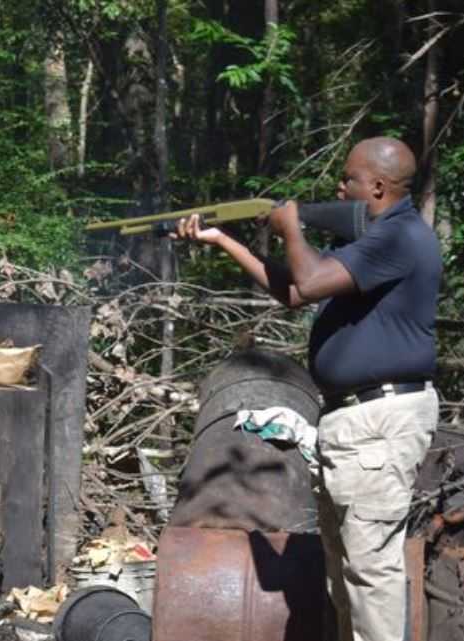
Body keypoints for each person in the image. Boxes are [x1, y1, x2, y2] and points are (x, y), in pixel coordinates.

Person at [173, 136, 441, 641]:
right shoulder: (369, 241)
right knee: (345, 578)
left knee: (371, 576)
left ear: (378, 186)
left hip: (379, 420)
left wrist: (290, 224)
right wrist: (224, 239)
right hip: (353, 421)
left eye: (350, 179)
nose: (339, 186)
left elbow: (312, 281)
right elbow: (296, 292)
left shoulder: (400, 237)